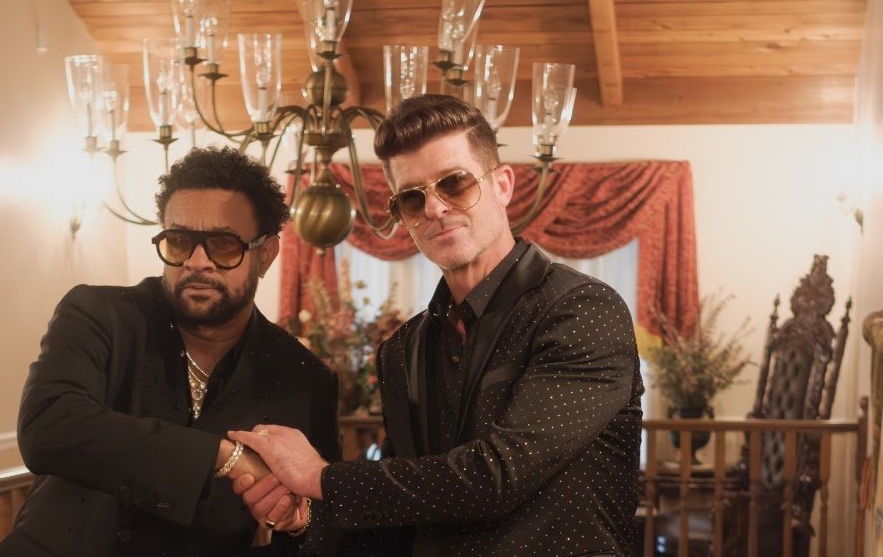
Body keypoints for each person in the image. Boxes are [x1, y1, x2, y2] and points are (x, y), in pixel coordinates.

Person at [230, 94, 644, 556]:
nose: (434, 208)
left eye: (455, 183)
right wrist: (306, 517)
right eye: (412, 198)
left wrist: (319, 477)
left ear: (503, 185)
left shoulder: (582, 309)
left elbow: (496, 478)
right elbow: (401, 520)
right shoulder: (401, 349)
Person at [0, 147, 339, 557]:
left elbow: (321, 531)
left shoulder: (303, 378)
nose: (197, 262)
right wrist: (222, 456)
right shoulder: (101, 315)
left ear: (264, 255)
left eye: (223, 245)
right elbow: (48, 427)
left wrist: (299, 522)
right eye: (178, 241)